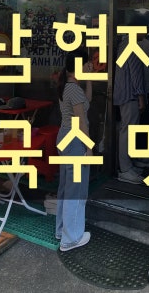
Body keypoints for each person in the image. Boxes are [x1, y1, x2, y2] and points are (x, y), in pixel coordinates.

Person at [55, 50, 93, 252]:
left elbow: (87, 103)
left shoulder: (69, 86)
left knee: (66, 187)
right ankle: (71, 238)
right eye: (86, 64)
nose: (89, 67)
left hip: (65, 137)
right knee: (76, 189)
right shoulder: (73, 89)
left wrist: (89, 80)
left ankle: (62, 230)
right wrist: (89, 148)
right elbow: (81, 121)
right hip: (75, 139)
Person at [112, 14, 149, 184]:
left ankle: (127, 166)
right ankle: (125, 169)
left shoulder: (124, 43)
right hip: (130, 95)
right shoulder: (132, 44)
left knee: (127, 130)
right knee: (128, 131)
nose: (147, 33)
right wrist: (141, 97)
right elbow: (136, 74)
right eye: (146, 29)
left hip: (124, 93)